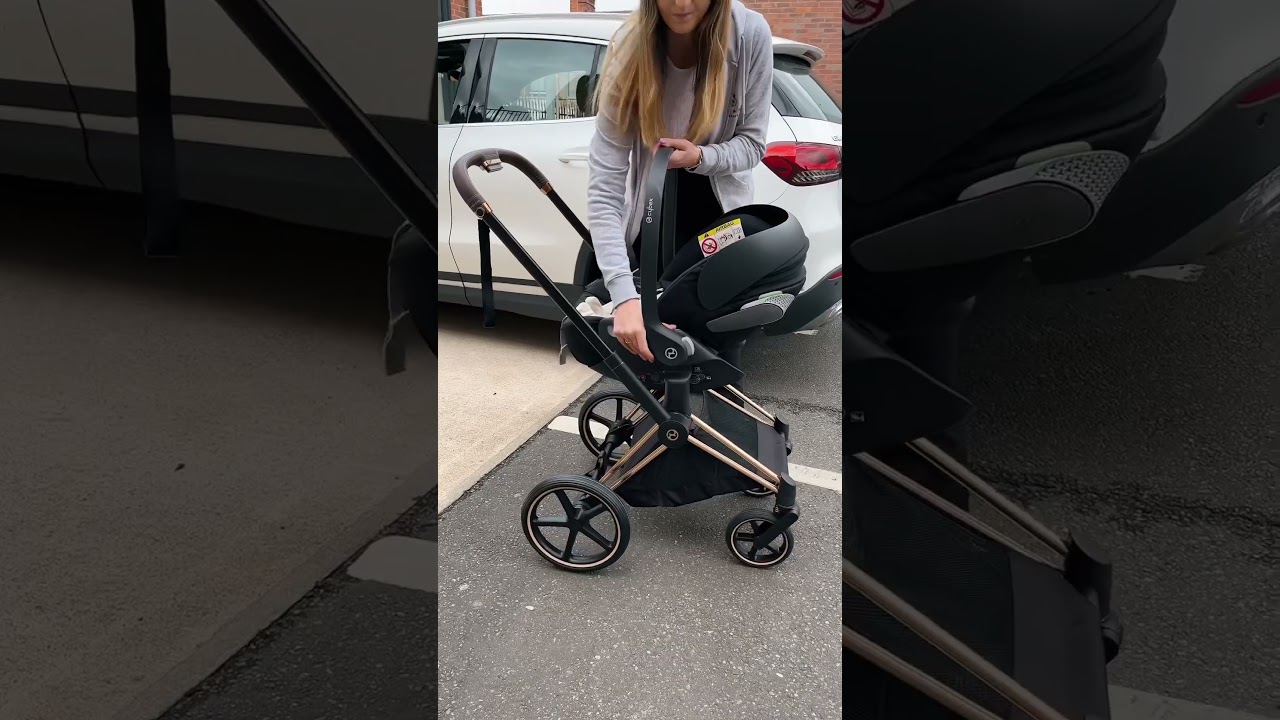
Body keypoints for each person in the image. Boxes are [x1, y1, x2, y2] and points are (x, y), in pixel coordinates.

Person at [586, 0, 774, 363]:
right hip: (653, 225)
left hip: (723, 228)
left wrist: (701, 157)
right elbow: (605, 186)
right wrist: (624, 298)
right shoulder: (628, 48)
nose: (682, 4)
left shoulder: (750, 34)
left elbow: (753, 144)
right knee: (653, 361)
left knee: (719, 358)